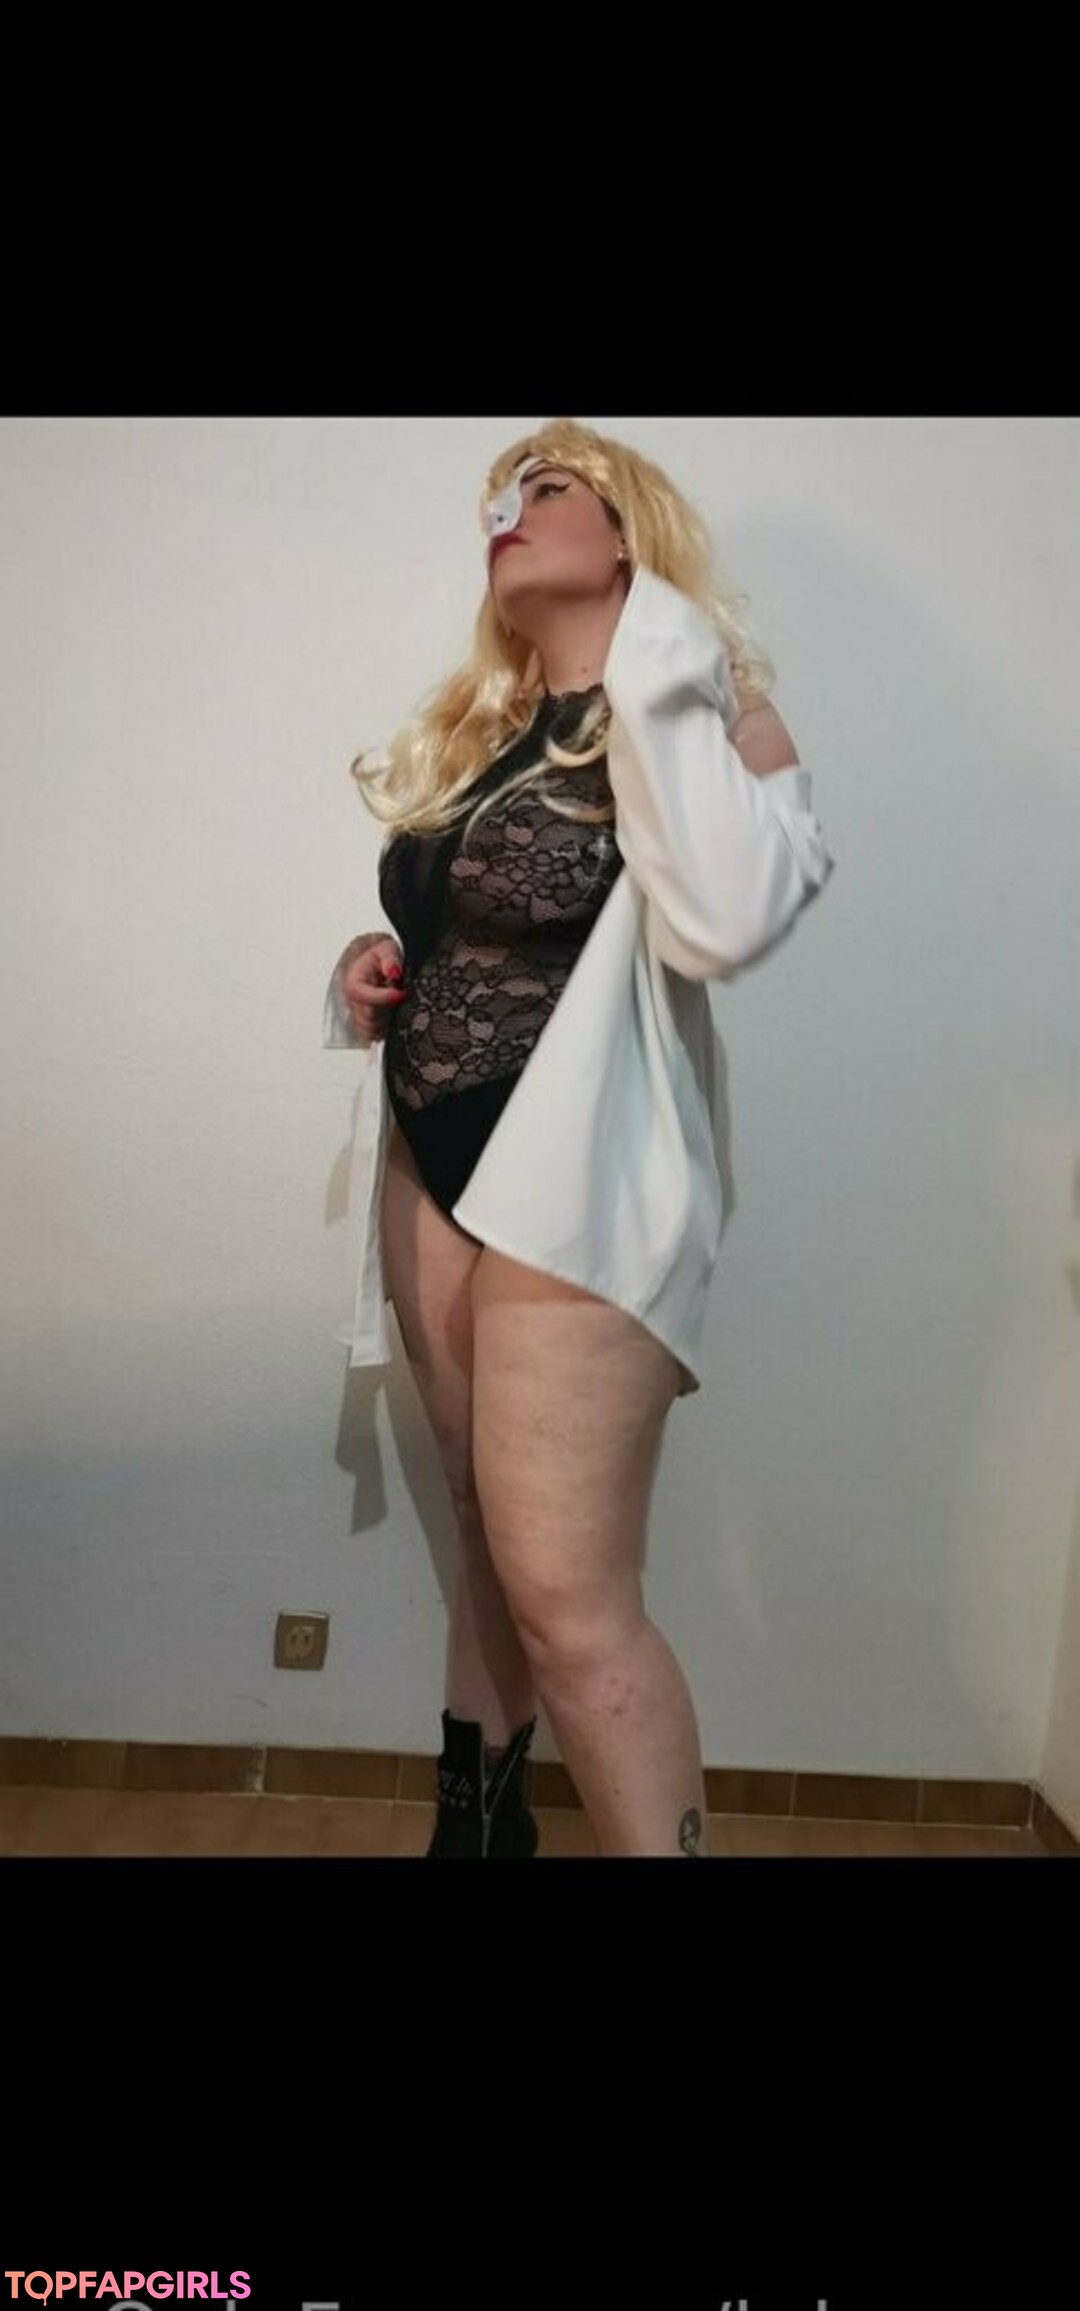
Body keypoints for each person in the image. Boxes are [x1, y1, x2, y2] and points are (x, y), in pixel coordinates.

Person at [324, 419, 835, 1857]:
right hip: (430, 1164)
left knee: (570, 1593)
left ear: (625, 535)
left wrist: (661, 661)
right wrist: (368, 961)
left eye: (546, 489)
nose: (510, 509)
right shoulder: (481, 736)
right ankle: (480, 1840)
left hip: (578, 1190)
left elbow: (728, 921)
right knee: (485, 1535)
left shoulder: (714, 719)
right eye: (502, 493)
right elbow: (465, 929)